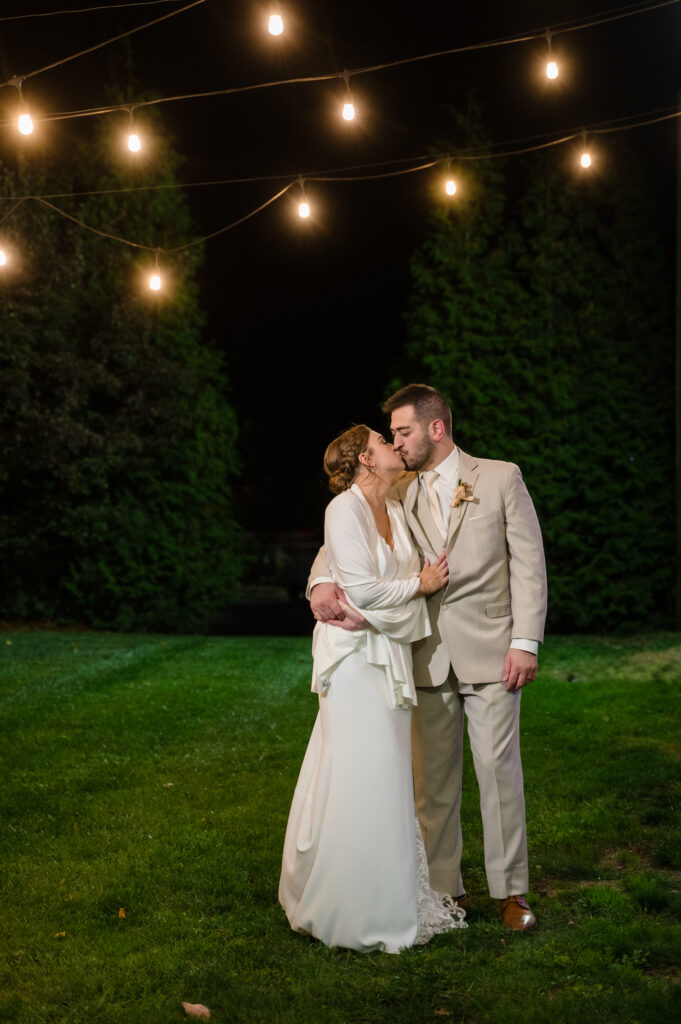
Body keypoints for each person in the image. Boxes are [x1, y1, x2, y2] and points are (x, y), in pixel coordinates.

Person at [309, 385, 548, 931]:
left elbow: (529, 564)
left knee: (497, 773)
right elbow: (339, 541)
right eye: (391, 434)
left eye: (403, 431)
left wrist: (525, 641)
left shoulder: (500, 477)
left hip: (493, 651)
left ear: (435, 429)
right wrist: (320, 580)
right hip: (424, 654)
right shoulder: (396, 489)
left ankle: (512, 893)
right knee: (433, 784)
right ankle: (446, 891)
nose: (396, 440)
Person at [279, 424, 467, 953]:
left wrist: (381, 597)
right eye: (386, 440)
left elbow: (355, 574)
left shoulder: (397, 502)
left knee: (386, 775)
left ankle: (389, 896)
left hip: (387, 653)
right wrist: (420, 585)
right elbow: (359, 585)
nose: (394, 445)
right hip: (355, 659)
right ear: (365, 456)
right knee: (360, 772)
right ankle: (351, 905)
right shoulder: (345, 507)